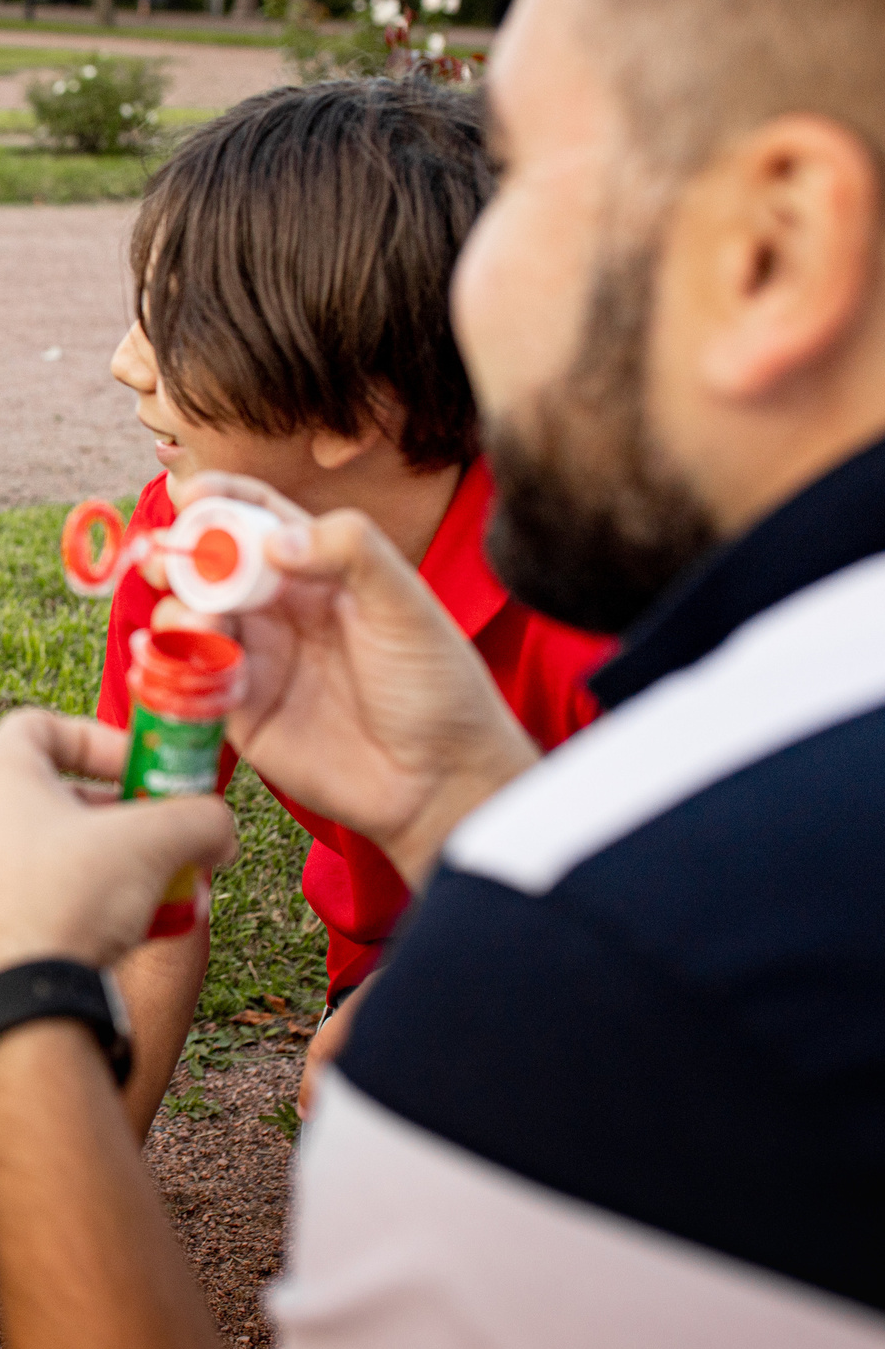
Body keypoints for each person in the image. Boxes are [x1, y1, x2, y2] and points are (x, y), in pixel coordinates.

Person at [0, 0, 885, 1349]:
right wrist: (475, 812)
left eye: (523, 168)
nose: (469, 278)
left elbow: (634, 982)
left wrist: (16, 1030)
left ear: (772, 247)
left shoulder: (613, 981)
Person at [97, 79, 612, 1136]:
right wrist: (89, 1177)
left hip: (633, 974)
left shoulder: (600, 605)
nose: (124, 363)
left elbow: (703, 945)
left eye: (175, 323)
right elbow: (150, 882)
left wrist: (462, 979)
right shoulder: (194, 544)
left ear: (356, 410)